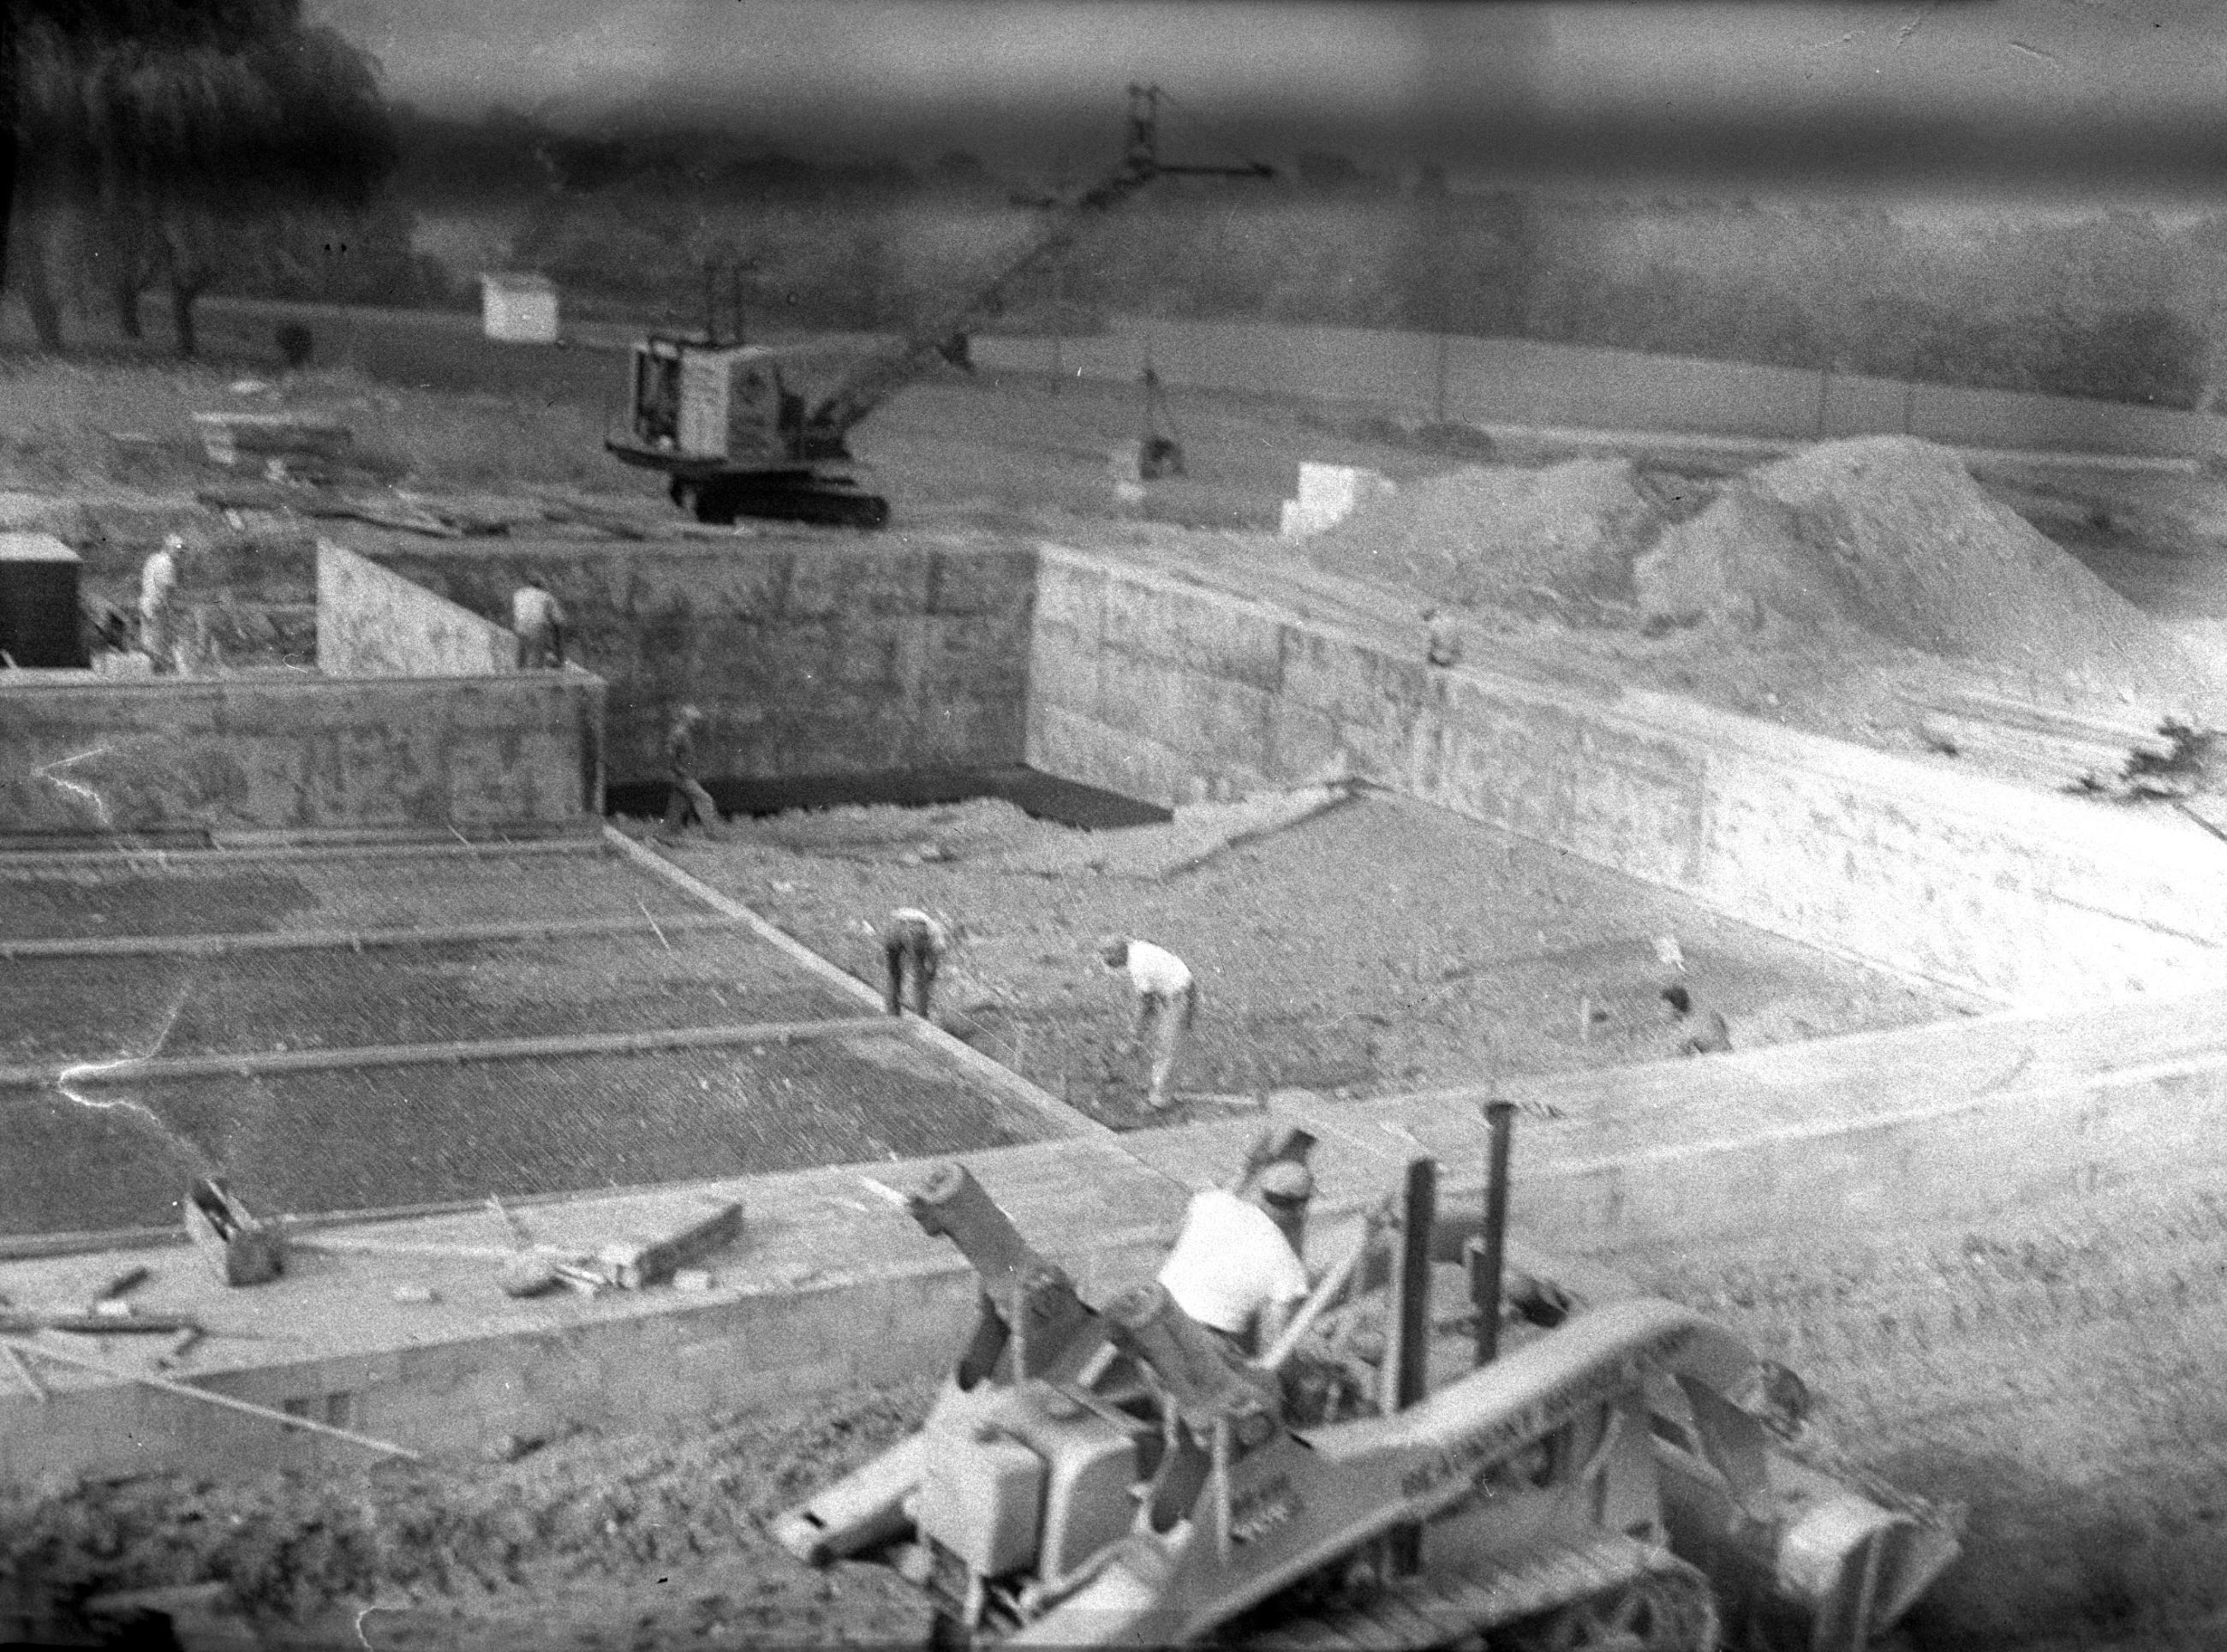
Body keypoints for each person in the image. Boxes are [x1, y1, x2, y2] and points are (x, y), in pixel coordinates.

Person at [1157, 1158, 1315, 1359]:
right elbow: (1276, 1340)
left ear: (1262, 1191)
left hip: (1154, 1317)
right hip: (1202, 1345)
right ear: (1301, 1208)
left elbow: (1168, 1241)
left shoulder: (1211, 1202)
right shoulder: (1285, 1260)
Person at [1097, 934, 1196, 1110]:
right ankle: (1159, 1086)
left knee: (1169, 1046)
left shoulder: (1139, 966)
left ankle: (1159, 1101)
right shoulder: (1134, 949)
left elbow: (1146, 1008)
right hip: (1172, 990)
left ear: (1119, 954)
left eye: (1112, 960)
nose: (1114, 966)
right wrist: (1136, 1036)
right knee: (1164, 1042)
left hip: (1181, 994)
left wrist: (1135, 1039)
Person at [654, 705, 724, 846]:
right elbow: (669, 754)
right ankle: (712, 834)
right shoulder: (678, 732)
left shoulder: (682, 732)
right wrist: (679, 770)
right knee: (705, 800)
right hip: (682, 777)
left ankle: (667, 836)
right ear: (686, 718)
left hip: (682, 775)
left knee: (677, 807)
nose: (695, 721)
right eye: (693, 718)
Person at [880, 907, 951, 1018]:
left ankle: (892, 1014)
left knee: (893, 973)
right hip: (915, 928)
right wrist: (931, 974)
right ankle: (922, 1017)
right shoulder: (936, 935)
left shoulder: (931, 925)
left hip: (892, 924)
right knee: (920, 977)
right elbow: (935, 959)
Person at [139, 535, 184, 674]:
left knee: (149, 641)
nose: (179, 553)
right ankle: (161, 673)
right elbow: (166, 591)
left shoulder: (153, 559)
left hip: (145, 604)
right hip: (156, 607)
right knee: (160, 642)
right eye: (177, 549)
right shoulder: (167, 563)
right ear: (169, 548)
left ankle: (152, 672)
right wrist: (171, 613)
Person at [1662, 982, 1732, 1056]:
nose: (1659, 1013)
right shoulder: (1707, 1013)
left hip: (1718, 1060)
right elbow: (1724, 1028)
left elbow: (1675, 1058)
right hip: (1730, 1054)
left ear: (1675, 1009)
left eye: (1664, 1009)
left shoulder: (1686, 1029)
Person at [511, 576, 565, 670]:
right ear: (541, 585)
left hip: (519, 626)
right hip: (537, 626)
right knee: (537, 654)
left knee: (522, 652)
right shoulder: (545, 596)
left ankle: (519, 672)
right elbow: (559, 619)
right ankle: (547, 663)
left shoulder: (518, 594)